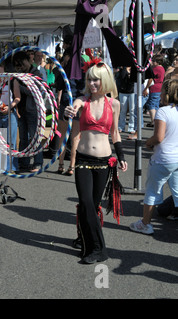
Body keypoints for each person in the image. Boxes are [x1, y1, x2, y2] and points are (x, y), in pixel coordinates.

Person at [64, 61, 128, 264]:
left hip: (104, 162)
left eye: (96, 79)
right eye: (89, 79)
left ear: (105, 80)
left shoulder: (114, 104)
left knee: (92, 205)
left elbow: (115, 133)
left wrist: (122, 156)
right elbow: (74, 109)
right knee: (85, 202)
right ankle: (99, 249)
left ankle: (85, 239)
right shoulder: (82, 101)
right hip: (83, 159)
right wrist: (69, 112)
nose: (92, 83)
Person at [130, 79, 178, 235]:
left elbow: (158, 137)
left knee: (152, 191)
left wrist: (148, 143)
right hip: (176, 158)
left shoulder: (163, 111)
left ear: (167, 93)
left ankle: (145, 224)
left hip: (162, 158)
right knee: (177, 192)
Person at [12, 50, 43, 172]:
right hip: (21, 110)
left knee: (35, 137)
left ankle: (38, 162)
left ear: (28, 60)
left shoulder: (36, 73)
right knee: (23, 138)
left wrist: (18, 87)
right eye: (18, 65)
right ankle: (24, 162)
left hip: (33, 110)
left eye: (22, 63)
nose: (21, 67)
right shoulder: (18, 74)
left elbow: (35, 92)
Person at [55, 52, 80, 176]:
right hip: (73, 104)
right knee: (73, 138)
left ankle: (64, 165)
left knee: (66, 136)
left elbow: (58, 86)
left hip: (70, 104)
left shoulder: (66, 71)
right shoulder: (80, 71)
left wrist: (62, 69)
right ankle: (70, 166)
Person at [143, 55, 165, 127]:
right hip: (159, 88)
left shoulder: (157, 68)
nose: (152, 62)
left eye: (153, 61)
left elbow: (150, 77)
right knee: (156, 105)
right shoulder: (162, 68)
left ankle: (153, 121)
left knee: (151, 104)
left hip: (154, 88)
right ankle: (156, 121)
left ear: (158, 62)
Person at [116, 66, 136, 134]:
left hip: (132, 91)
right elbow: (122, 77)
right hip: (123, 91)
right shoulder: (122, 69)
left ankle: (131, 127)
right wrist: (124, 69)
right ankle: (121, 127)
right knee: (122, 110)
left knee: (132, 110)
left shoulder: (134, 68)